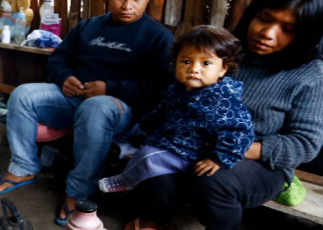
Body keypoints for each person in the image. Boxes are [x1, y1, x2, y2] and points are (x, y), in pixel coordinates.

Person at [122, 0, 323, 230]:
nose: (268, 34)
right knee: (152, 161)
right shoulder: (222, 51)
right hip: (195, 146)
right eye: (265, 19)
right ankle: (160, 215)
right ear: (253, 12)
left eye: (287, 29)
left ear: (306, 34)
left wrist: (227, 152)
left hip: (260, 162)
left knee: (213, 177)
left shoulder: (312, 76)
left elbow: (304, 144)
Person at [0, 0, 175, 226]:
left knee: (96, 107)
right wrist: (65, 78)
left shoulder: (159, 38)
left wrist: (110, 88)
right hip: (73, 98)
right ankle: (24, 168)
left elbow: (160, 90)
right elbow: (56, 61)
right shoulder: (89, 27)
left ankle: (78, 192)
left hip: (119, 110)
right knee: (23, 95)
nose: (127, 5)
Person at [99, 25, 254, 195]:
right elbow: (162, 111)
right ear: (176, 63)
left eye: (206, 63)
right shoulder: (177, 89)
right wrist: (144, 127)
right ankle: (126, 155)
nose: (194, 69)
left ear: (223, 68)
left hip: (189, 152)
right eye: (186, 61)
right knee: (125, 140)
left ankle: (125, 181)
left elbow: (240, 133)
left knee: (149, 157)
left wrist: (218, 159)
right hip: (167, 138)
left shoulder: (223, 101)